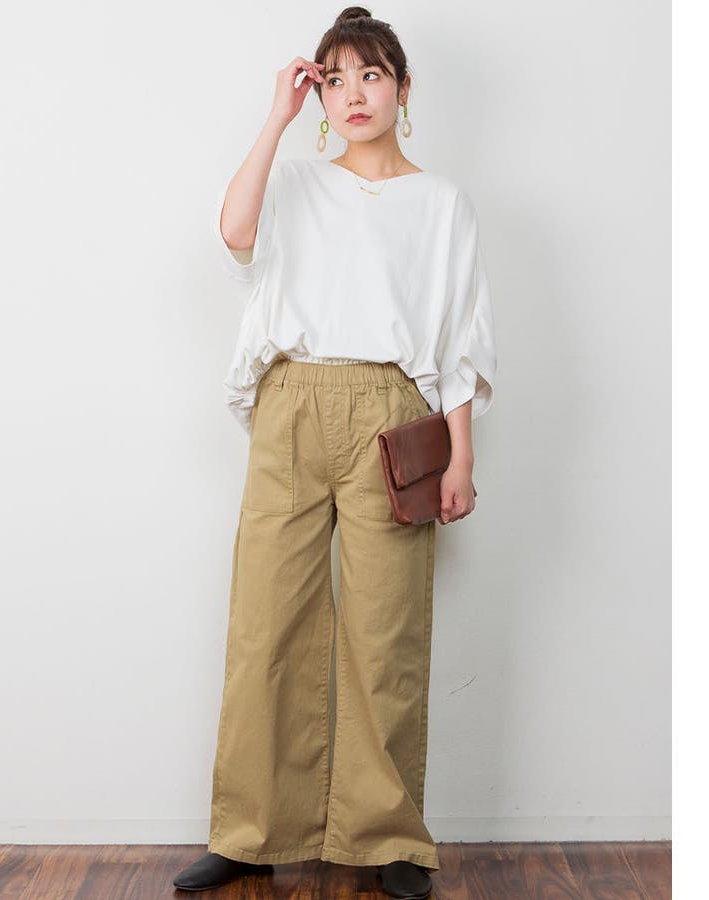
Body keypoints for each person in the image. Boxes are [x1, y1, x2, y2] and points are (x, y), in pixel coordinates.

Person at [173, 7, 496, 898]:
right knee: (265, 620)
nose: (355, 94)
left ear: (403, 88)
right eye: (337, 78)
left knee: (386, 629)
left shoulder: (442, 204)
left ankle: (387, 839)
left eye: (372, 75)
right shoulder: (295, 183)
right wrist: (277, 117)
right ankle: (250, 832)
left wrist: (461, 458)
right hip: (292, 404)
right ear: (319, 94)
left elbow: (459, 340)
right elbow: (234, 234)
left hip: (393, 412)